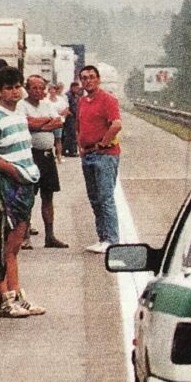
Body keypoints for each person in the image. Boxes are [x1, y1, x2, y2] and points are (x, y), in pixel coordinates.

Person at [0, 66, 46, 318]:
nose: (14, 91)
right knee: (4, 244)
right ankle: (5, 299)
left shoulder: (19, 115)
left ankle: (18, 294)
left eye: (17, 86)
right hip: (8, 186)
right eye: (8, 88)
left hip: (26, 185)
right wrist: (13, 171)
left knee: (16, 244)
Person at [76, 65, 122, 253]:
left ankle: (112, 239)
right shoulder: (82, 101)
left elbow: (116, 124)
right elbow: (79, 125)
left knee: (105, 197)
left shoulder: (107, 100)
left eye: (91, 77)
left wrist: (103, 143)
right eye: (84, 78)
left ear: (98, 79)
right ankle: (102, 237)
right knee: (94, 198)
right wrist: (80, 146)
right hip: (87, 154)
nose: (88, 81)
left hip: (104, 155)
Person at [21, 74, 69, 248]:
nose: (38, 91)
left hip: (47, 156)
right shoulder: (21, 105)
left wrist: (39, 124)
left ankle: (50, 236)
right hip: (30, 155)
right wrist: (45, 122)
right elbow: (27, 124)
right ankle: (24, 236)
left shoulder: (47, 104)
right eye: (34, 87)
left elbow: (59, 122)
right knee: (28, 197)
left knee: (48, 196)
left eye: (41, 88)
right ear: (27, 89)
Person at [61, 80, 82, 156]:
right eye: (76, 88)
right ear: (72, 87)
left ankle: (71, 150)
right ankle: (70, 151)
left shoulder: (76, 96)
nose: (77, 90)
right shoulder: (68, 95)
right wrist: (70, 113)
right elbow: (65, 106)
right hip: (70, 118)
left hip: (75, 117)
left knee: (73, 134)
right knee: (71, 134)